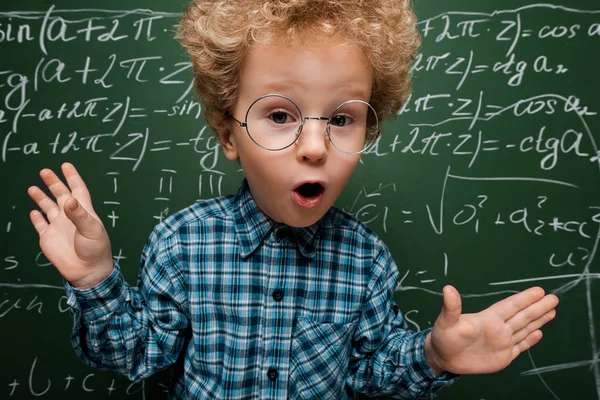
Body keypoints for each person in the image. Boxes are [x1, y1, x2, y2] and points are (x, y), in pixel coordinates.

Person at [27, 0, 559, 399]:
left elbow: (371, 373)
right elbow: (136, 354)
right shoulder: (183, 242)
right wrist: (95, 280)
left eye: (342, 118)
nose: (313, 147)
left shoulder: (366, 260)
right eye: (280, 115)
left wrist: (434, 356)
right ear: (229, 134)